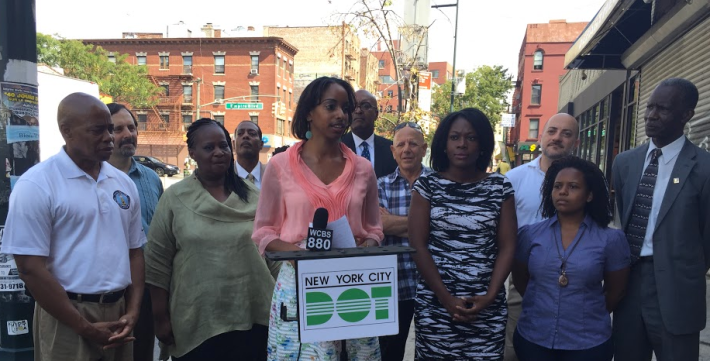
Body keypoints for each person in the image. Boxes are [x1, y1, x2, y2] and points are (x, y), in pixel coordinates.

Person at [1, 93, 144, 361]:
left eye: (110, 129)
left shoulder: (123, 184)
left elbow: (135, 251)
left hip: (119, 313)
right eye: (97, 130)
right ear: (67, 131)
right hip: (65, 315)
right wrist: (83, 326)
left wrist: (133, 311)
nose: (109, 137)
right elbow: (29, 268)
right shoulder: (37, 185)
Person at [253, 77, 383, 360]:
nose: (342, 115)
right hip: (300, 286)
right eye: (331, 106)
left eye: (345, 108)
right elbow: (264, 232)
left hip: (354, 285)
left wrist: (368, 246)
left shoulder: (363, 169)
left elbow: (374, 228)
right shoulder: (280, 165)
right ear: (309, 112)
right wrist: (302, 254)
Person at [144, 118, 274, 361]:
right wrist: (160, 318)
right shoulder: (175, 198)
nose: (218, 153)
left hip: (253, 319)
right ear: (192, 153)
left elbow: (273, 255)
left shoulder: (255, 197)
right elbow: (157, 263)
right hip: (197, 322)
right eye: (208, 147)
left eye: (223, 146)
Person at [612, 78, 710, 361]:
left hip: (677, 289)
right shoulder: (625, 163)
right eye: (650, 107)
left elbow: (707, 237)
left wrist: (681, 265)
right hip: (629, 283)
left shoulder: (704, 168)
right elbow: (624, 216)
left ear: (686, 115)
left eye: (663, 109)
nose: (651, 116)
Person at [408, 108, 517, 360]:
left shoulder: (499, 186)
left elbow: (508, 246)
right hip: (436, 304)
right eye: (455, 137)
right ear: (444, 144)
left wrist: (490, 296)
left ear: (482, 145)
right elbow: (418, 245)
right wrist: (446, 299)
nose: (462, 144)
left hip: (486, 306)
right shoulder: (427, 186)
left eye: (471, 138)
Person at [512, 156, 629, 360]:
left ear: (589, 195)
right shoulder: (530, 235)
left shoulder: (610, 239)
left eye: (573, 187)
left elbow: (615, 291)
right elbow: (522, 280)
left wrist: (584, 312)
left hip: (587, 343)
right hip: (534, 337)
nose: (563, 192)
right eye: (557, 186)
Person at [503, 113, 580, 361]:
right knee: (514, 351)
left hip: (572, 284)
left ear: (576, 142)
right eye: (552, 131)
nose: (557, 138)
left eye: (566, 134)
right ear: (541, 136)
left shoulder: (587, 181)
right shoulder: (514, 179)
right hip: (523, 281)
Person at [106, 103, 164, 361]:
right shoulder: (94, 180)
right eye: (118, 129)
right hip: (111, 291)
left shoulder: (151, 178)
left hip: (149, 287)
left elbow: (161, 234)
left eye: (131, 127)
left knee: (142, 354)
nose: (127, 134)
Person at [376, 121, 431, 361]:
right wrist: (424, 225)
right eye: (401, 144)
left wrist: (395, 223)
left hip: (433, 285)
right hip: (392, 286)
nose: (407, 149)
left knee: (432, 350)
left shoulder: (439, 184)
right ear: (393, 151)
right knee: (390, 353)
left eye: (413, 144)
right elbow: (380, 226)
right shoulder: (379, 186)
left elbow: (442, 227)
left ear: (424, 149)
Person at [342, 89, 397, 178]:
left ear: (376, 114)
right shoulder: (337, 148)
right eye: (353, 106)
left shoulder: (391, 149)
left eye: (365, 106)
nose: (358, 111)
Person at [235, 120, 266, 189]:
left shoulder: (274, 175)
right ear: (233, 144)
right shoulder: (223, 177)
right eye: (240, 133)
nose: (245, 136)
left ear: (261, 144)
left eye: (252, 133)